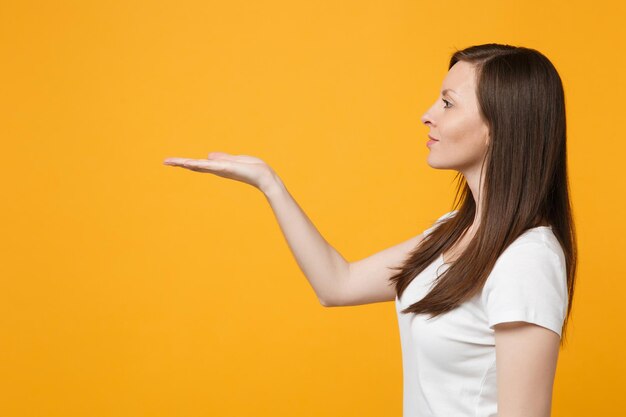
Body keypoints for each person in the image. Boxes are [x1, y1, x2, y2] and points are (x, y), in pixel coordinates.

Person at [163, 42, 577, 417]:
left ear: (498, 127)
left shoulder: (527, 259)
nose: (427, 114)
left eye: (448, 103)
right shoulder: (453, 231)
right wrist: (269, 183)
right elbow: (338, 284)